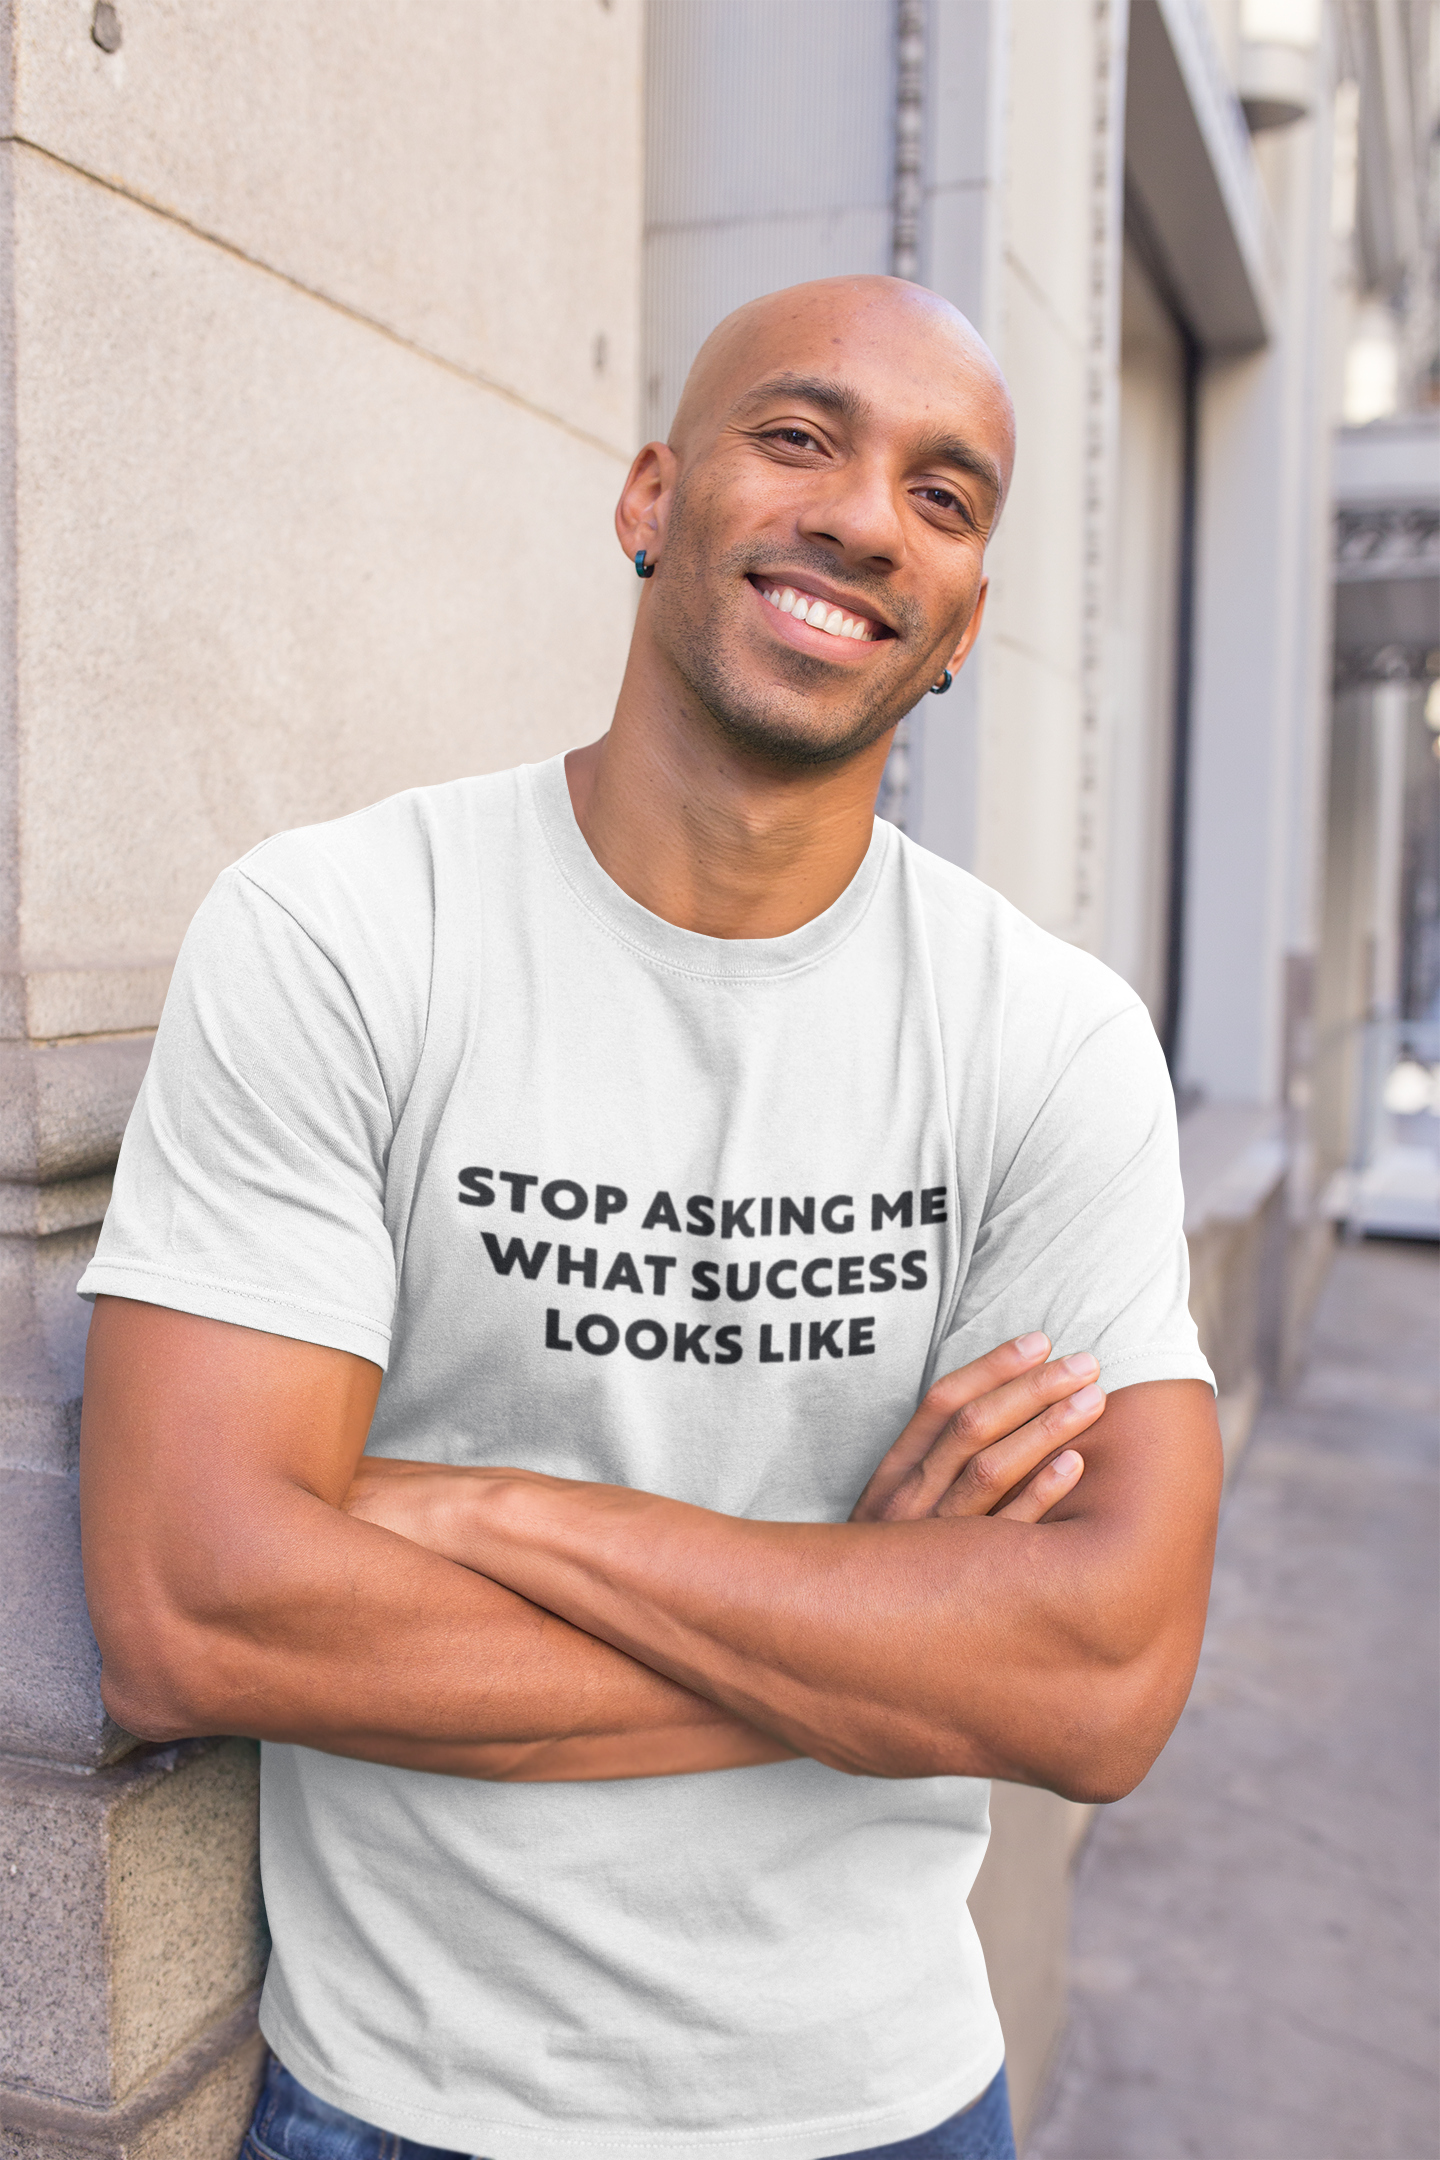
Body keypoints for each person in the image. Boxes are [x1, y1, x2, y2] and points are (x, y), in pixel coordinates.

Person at [78, 275, 1222, 2160]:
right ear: (650, 497)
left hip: (888, 2105)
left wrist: (484, 1508)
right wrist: (880, 1633)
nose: (868, 518)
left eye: (943, 498)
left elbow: (1100, 1684)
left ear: (961, 626)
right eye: (800, 437)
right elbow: (192, 1613)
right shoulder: (346, 936)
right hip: (410, 2106)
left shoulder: (1048, 1039)